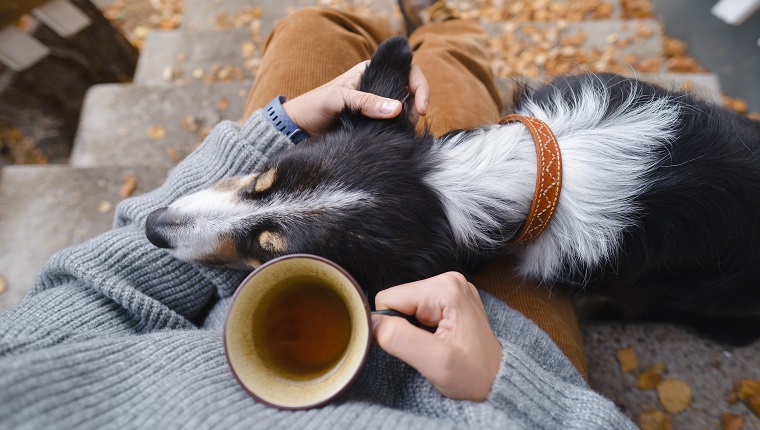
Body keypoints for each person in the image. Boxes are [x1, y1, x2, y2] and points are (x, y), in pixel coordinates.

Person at [0, 2, 636, 428]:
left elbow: (98, 285)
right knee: (448, 66)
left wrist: (275, 131)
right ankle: (448, 24)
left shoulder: (16, 380)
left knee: (315, 25)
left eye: (257, 185)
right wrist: (502, 383)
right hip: (478, 367)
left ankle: (426, 24)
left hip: (296, 270)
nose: (170, 224)